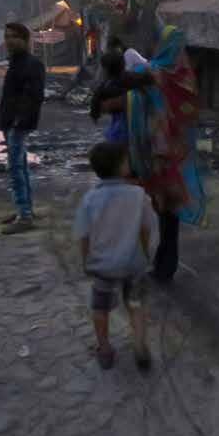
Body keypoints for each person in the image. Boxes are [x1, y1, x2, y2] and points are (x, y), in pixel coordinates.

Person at [125, 25, 205, 283]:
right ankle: (164, 264)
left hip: (160, 156)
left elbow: (132, 77)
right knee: (168, 216)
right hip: (177, 155)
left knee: (166, 214)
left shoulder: (156, 73)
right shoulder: (184, 77)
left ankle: (164, 267)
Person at [74, 142, 158, 371]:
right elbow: (148, 228)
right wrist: (148, 255)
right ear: (123, 168)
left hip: (102, 265)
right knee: (136, 305)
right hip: (133, 265)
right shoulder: (139, 195)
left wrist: (86, 261)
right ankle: (140, 348)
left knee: (100, 309)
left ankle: (105, 349)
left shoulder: (90, 199)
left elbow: (83, 235)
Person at [0, 23, 45, 235]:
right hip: (10, 121)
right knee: (21, 166)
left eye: (14, 36)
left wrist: (19, 120)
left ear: (25, 40)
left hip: (18, 123)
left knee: (15, 168)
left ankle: (24, 215)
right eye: (7, 36)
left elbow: (33, 96)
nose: (9, 40)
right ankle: (24, 210)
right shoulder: (15, 62)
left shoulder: (32, 63)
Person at [89, 51, 153, 145]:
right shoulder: (131, 77)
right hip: (135, 123)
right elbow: (146, 79)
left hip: (121, 124)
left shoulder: (106, 86)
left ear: (106, 70)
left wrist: (94, 114)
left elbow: (96, 99)